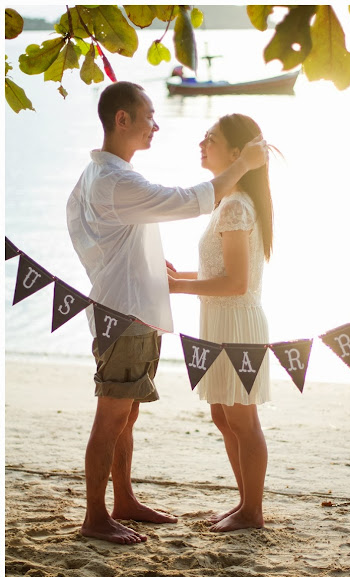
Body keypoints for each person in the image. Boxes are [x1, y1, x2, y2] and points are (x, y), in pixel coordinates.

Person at [66, 82, 268, 545]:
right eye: (149, 116)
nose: (156, 125)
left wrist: (127, 264)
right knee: (111, 417)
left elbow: (86, 226)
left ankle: (123, 500)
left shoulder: (98, 175)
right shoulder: (117, 180)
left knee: (126, 416)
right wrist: (244, 164)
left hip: (129, 306)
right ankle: (96, 517)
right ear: (123, 120)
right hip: (127, 311)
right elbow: (183, 201)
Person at [168, 114, 273, 532]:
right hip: (220, 321)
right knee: (222, 415)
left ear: (236, 153)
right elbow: (217, 270)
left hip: (236, 324)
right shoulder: (229, 201)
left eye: (209, 138)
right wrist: (178, 278)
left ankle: (252, 512)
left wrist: (177, 289)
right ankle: (245, 502)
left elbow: (235, 283)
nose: (201, 142)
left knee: (242, 420)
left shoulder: (234, 205)